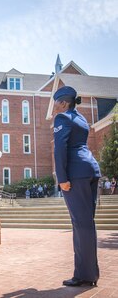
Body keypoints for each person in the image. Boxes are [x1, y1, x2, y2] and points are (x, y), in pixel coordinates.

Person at [53, 86, 101, 287]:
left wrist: (62, 178)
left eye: (56, 102)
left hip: (76, 175)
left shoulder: (62, 118)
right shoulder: (81, 118)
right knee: (86, 224)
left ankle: (86, 275)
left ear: (63, 103)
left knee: (81, 224)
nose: (54, 107)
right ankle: (87, 273)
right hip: (90, 170)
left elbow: (60, 149)